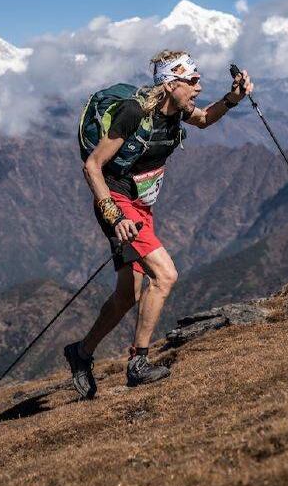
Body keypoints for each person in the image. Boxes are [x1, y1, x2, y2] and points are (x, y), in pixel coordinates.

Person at [64, 50, 253, 398]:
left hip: (141, 206)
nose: (199, 87)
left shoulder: (176, 112)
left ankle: (81, 352)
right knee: (165, 275)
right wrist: (114, 216)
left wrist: (232, 99)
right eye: (192, 81)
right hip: (118, 205)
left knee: (127, 296)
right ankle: (138, 363)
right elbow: (93, 166)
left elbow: (205, 119)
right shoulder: (134, 113)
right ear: (170, 84)